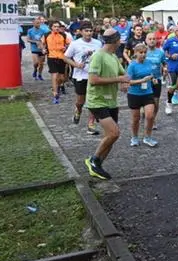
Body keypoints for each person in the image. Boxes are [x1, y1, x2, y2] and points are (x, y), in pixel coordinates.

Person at [83, 29, 129, 180]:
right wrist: (118, 80)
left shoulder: (113, 57)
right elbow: (93, 80)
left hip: (111, 101)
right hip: (97, 101)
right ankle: (93, 160)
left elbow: (122, 74)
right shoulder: (98, 56)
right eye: (119, 41)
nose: (120, 44)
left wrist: (124, 82)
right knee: (114, 133)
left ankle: (98, 166)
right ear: (114, 42)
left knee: (111, 136)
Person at [63, 21, 102, 135]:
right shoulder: (75, 44)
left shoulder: (98, 43)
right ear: (81, 32)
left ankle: (91, 124)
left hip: (94, 75)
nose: (89, 33)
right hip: (80, 76)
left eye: (90, 31)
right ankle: (78, 110)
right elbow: (65, 58)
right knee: (81, 101)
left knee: (92, 100)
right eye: (86, 31)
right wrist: (76, 64)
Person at [126, 43, 158, 147]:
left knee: (150, 116)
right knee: (136, 118)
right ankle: (134, 137)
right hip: (134, 94)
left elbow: (151, 74)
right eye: (141, 53)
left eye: (145, 52)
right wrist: (141, 80)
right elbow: (128, 82)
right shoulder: (132, 65)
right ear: (135, 53)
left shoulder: (148, 62)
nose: (143, 55)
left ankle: (147, 137)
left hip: (147, 93)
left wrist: (153, 79)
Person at [143, 32, 168, 133]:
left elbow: (164, 63)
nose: (152, 40)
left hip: (156, 79)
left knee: (156, 102)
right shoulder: (143, 51)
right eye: (150, 39)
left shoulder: (160, 52)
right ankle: (149, 118)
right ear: (146, 40)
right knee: (145, 100)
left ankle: (152, 118)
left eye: (154, 39)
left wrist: (165, 69)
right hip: (144, 79)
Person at [44, 21, 71, 104]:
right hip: (51, 57)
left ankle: (58, 86)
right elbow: (41, 43)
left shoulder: (63, 35)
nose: (56, 28)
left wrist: (66, 47)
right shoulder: (46, 35)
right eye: (55, 26)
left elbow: (69, 44)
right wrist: (43, 49)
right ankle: (55, 94)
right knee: (54, 76)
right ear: (51, 27)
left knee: (62, 78)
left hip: (61, 58)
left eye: (58, 27)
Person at [25, 16, 50, 81]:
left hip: (41, 49)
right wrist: (35, 42)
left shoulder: (43, 30)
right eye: (36, 23)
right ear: (33, 23)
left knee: (41, 64)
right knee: (36, 63)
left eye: (39, 23)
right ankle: (35, 70)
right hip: (34, 49)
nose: (38, 24)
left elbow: (46, 39)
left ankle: (40, 74)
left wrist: (43, 45)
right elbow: (28, 39)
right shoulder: (30, 30)